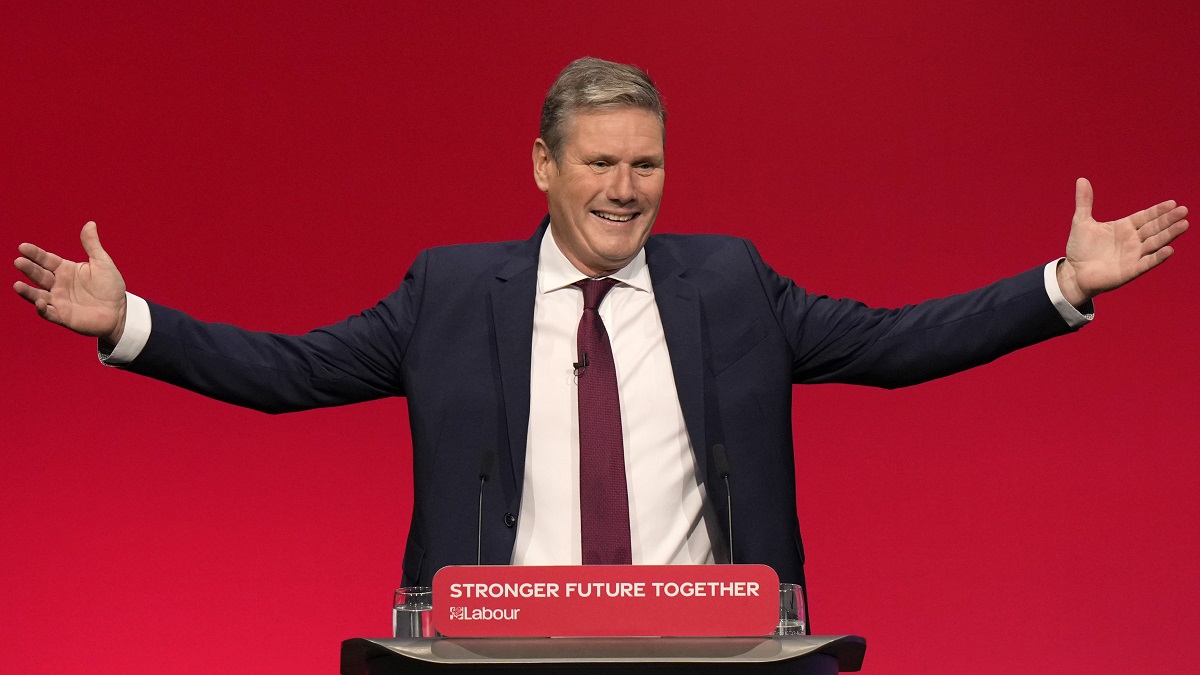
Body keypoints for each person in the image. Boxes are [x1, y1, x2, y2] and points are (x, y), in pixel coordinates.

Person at [12, 58, 1189, 595]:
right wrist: (133, 325)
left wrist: (1059, 285)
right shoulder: (448, 289)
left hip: (711, 641)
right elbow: (289, 373)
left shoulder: (729, 283)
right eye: (600, 163)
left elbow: (892, 344)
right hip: (500, 644)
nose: (626, 188)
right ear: (543, 166)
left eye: (648, 163)